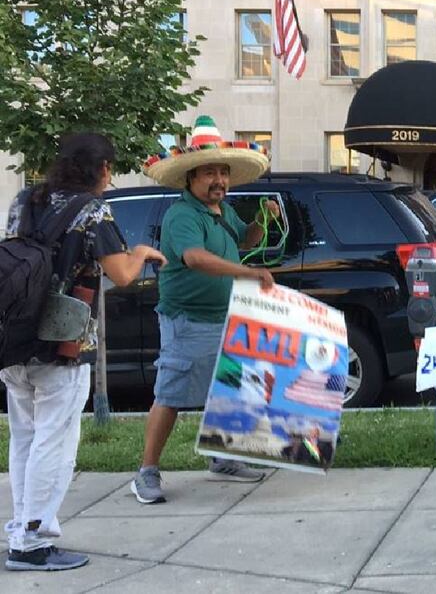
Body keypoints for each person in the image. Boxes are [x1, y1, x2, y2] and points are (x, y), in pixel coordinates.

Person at [2, 133, 166, 571]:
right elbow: (122, 274)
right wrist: (143, 253)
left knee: (25, 438)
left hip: (15, 338)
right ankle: (33, 542)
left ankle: (21, 527)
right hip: (62, 343)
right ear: (104, 169)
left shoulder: (25, 201)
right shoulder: (94, 211)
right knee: (54, 442)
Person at [131, 116, 278, 504]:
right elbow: (195, 258)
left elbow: (245, 238)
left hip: (222, 318)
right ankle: (146, 471)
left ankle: (221, 458)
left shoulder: (221, 211)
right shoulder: (182, 215)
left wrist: (263, 219)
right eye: (210, 173)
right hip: (186, 320)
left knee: (227, 390)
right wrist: (248, 273)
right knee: (171, 394)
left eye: (223, 173)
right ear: (190, 178)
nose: (219, 181)